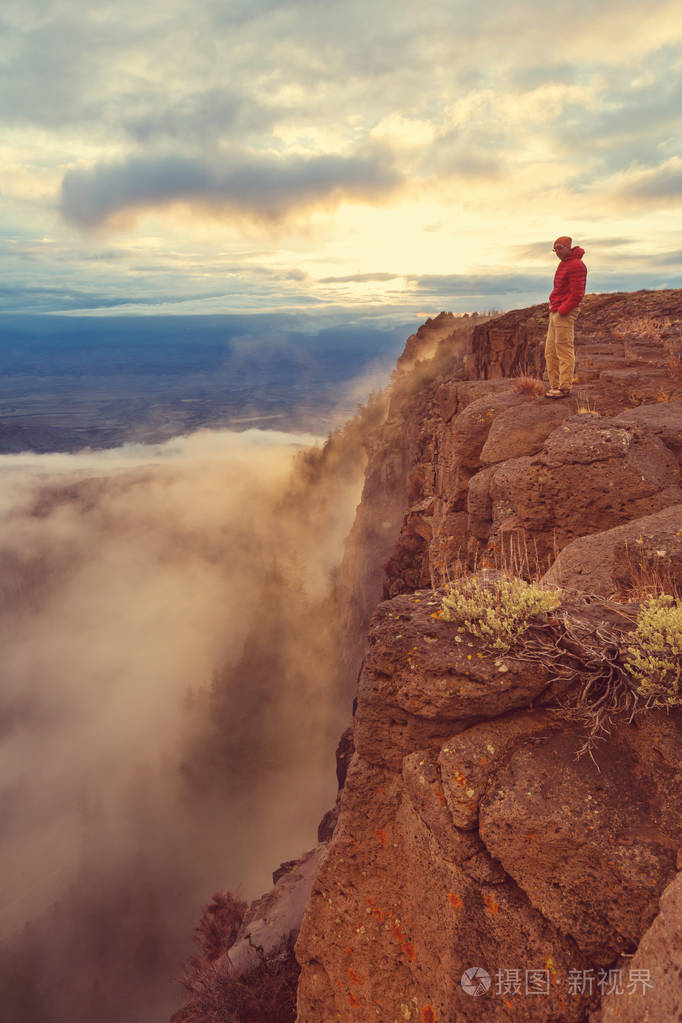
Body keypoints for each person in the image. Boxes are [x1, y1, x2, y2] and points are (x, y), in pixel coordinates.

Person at [545, 236, 587, 398]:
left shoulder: (577, 265)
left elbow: (577, 294)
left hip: (565, 311)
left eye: (560, 248)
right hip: (556, 309)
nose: (557, 251)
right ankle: (554, 385)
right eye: (555, 249)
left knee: (563, 349)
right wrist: (553, 306)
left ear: (569, 247)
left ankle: (564, 388)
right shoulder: (564, 263)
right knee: (550, 351)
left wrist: (562, 310)